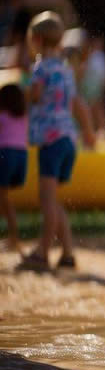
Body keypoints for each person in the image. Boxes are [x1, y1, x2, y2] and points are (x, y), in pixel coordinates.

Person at [18, 12, 96, 272]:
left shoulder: (40, 68)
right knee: (52, 199)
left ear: (36, 40)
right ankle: (68, 253)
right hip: (67, 140)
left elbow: (36, 95)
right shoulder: (65, 71)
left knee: (47, 200)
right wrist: (88, 132)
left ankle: (42, 252)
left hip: (50, 141)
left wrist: (25, 95)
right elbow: (78, 104)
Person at [0, 83, 28, 253]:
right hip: (21, 157)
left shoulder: (2, 116)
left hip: (6, 155)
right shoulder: (23, 117)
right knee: (4, 198)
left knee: (3, 198)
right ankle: (14, 236)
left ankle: (14, 236)